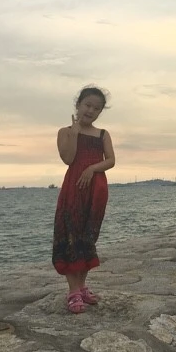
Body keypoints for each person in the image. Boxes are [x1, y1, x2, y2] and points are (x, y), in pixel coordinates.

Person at [52, 86, 115, 314]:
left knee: (88, 237)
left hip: (96, 190)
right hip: (74, 189)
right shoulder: (64, 132)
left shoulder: (103, 134)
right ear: (78, 104)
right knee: (71, 236)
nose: (90, 111)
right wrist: (75, 133)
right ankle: (73, 291)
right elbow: (68, 159)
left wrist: (91, 169)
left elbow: (111, 160)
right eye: (87, 105)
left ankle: (82, 286)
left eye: (96, 108)